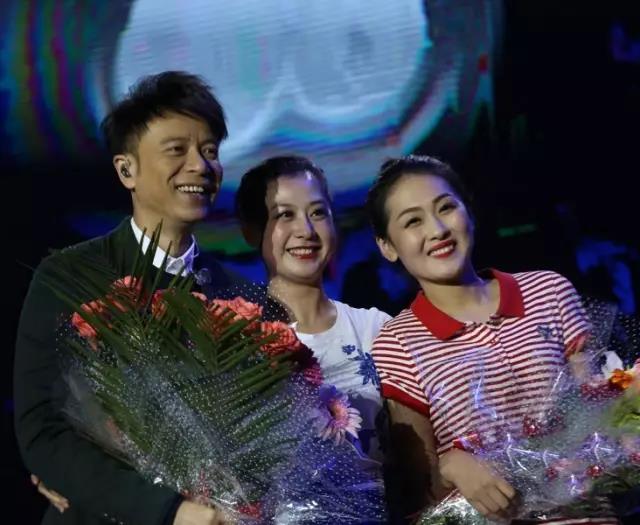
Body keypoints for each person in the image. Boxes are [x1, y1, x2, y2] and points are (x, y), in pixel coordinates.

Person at [15, 71, 239, 524]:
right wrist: (170, 512)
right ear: (126, 170)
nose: (200, 165)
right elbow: (42, 429)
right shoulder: (71, 276)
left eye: (210, 151)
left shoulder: (238, 296)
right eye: (176, 150)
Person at [365, 155, 619, 523]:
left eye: (446, 207)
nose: (437, 229)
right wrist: (451, 465)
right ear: (387, 246)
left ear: (469, 211)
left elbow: (599, 410)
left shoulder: (549, 291)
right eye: (413, 221)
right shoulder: (397, 342)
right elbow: (421, 485)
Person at [235, 155, 391, 461]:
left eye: (318, 213)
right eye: (284, 215)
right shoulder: (240, 348)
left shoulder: (377, 329)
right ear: (251, 232)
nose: (306, 230)